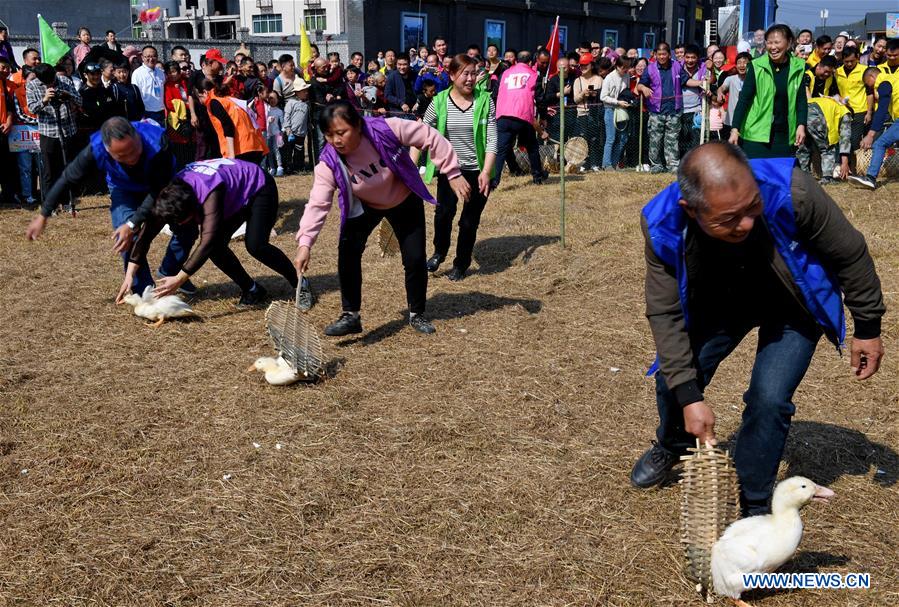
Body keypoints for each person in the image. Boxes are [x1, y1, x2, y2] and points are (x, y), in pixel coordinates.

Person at [632, 141, 885, 515]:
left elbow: (849, 252)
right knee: (673, 380)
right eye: (729, 218)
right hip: (720, 302)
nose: (746, 223)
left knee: (769, 399)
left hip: (793, 306)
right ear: (692, 210)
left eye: (753, 207)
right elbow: (665, 311)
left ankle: (753, 501)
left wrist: (867, 325)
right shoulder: (662, 224)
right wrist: (690, 396)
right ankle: (673, 444)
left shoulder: (792, 190)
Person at [294, 101, 469, 336]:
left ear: (357, 125)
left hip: (404, 199)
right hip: (365, 206)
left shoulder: (383, 128)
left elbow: (428, 135)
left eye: (341, 132)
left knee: (415, 258)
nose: (335, 140)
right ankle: (351, 315)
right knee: (347, 251)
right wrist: (305, 243)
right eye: (328, 135)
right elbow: (318, 203)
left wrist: (452, 171)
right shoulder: (329, 162)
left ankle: (417, 313)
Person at [26, 117, 199, 296]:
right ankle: (144, 292)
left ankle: (170, 272)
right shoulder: (96, 149)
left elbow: (157, 191)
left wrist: (134, 223)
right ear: (108, 150)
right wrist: (43, 214)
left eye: (134, 150)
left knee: (187, 228)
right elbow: (68, 178)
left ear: (137, 137)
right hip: (123, 189)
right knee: (124, 236)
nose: (131, 158)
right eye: (122, 156)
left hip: (161, 187)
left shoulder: (158, 143)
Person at [118, 158, 298, 307]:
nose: (176, 226)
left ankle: (300, 284)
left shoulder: (209, 194)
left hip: (257, 186)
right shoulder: (168, 197)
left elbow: (207, 241)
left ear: (191, 212)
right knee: (218, 249)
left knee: (256, 245)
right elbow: (146, 234)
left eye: (179, 222)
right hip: (233, 191)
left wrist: (180, 279)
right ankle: (253, 290)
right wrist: (130, 275)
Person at [420, 54, 497, 282]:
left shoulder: (485, 101)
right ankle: (439, 252)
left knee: (468, 221)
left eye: (474, 73)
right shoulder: (440, 100)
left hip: (478, 171)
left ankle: (460, 264)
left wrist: (486, 172)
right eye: (465, 73)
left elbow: (492, 139)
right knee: (444, 213)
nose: (470, 78)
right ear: (452, 75)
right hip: (450, 169)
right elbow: (423, 130)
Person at [729, 25, 807, 158]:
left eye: (777, 42)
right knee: (755, 176)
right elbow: (744, 99)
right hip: (756, 134)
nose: (772, 47)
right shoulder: (756, 65)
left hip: (785, 134)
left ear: (789, 43)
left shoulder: (798, 66)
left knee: (781, 176)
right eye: (769, 43)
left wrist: (801, 125)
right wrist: (735, 128)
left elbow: (801, 100)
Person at [635, 43, 704, 173]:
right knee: (655, 139)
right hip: (656, 110)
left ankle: (672, 165)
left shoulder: (677, 66)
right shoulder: (650, 69)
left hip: (674, 110)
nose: (661, 57)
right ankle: (656, 164)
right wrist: (643, 88)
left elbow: (686, 80)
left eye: (664, 54)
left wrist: (701, 83)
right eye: (659, 54)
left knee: (672, 139)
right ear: (655, 55)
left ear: (669, 54)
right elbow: (640, 85)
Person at [25, 63, 82, 207]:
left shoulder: (65, 81)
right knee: (49, 170)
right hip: (48, 132)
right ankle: (50, 204)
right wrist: (44, 100)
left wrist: (68, 96)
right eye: (47, 82)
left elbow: (80, 100)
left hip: (67, 130)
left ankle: (67, 200)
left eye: (52, 80)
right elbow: (32, 108)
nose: (51, 83)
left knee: (67, 167)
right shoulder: (32, 86)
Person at [489, 51, 545, 188]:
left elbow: (494, 95)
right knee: (532, 147)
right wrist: (543, 116)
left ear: (517, 60)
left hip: (503, 115)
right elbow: (540, 99)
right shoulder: (533, 75)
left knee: (500, 150)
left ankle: (494, 182)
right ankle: (538, 176)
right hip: (523, 115)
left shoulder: (504, 74)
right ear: (530, 62)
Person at [849, 66, 899, 189]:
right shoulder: (893, 79)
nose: (870, 88)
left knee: (879, 143)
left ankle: (870, 178)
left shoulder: (884, 83)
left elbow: (882, 108)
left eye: (869, 85)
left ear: (872, 77)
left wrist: (870, 134)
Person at [197, 79, 268, 164]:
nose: (200, 102)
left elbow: (228, 126)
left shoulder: (214, 102)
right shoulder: (231, 100)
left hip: (240, 149)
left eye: (199, 98)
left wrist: (231, 155)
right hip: (255, 146)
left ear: (205, 92)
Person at [797, 95, 852, 184]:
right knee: (827, 147)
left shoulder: (831, 103)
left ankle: (802, 175)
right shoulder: (846, 113)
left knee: (804, 146)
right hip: (816, 114)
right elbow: (845, 138)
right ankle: (827, 177)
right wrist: (844, 163)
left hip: (802, 112)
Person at [835, 46, 872, 154]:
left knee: (854, 140)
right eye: (846, 61)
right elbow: (835, 90)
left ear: (858, 57)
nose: (849, 64)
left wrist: (869, 112)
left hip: (860, 111)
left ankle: (854, 166)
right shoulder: (837, 72)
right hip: (843, 110)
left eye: (852, 61)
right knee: (843, 140)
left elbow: (869, 92)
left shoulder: (864, 70)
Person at [600, 56, 633, 170]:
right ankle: (606, 164)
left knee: (623, 138)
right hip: (610, 109)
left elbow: (626, 91)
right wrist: (617, 102)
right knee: (611, 138)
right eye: (624, 68)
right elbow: (603, 96)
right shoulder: (609, 78)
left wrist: (627, 101)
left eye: (628, 68)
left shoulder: (627, 76)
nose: (626, 70)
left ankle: (614, 163)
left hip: (622, 109)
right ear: (617, 66)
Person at [573, 54, 604, 172]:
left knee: (595, 139)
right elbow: (575, 99)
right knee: (583, 139)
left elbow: (602, 96)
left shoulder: (599, 79)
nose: (583, 67)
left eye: (586, 65)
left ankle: (595, 163)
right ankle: (583, 164)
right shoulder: (577, 80)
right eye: (581, 65)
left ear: (591, 65)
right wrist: (582, 94)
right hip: (582, 113)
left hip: (595, 113)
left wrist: (595, 94)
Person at [162, 60, 193, 167]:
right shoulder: (167, 85)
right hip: (177, 121)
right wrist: (187, 104)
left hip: (190, 117)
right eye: (169, 72)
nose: (172, 74)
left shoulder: (186, 81)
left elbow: (192, 95)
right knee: (179, 151)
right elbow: (169, 104)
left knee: (191, 148)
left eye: (174, 71)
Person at [79, 62, 124, 132]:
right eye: (92, 74)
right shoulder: (82, 94)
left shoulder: (105, 90)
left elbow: (114, 109)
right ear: (85, 75)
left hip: (110, 130)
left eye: (98, 73)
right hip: (93, 132)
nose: (96, 76)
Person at [717, 52, 751, 142]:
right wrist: (720, 93)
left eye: (745, 62)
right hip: (731, 121)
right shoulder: (730, 79)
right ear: (735, 65)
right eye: (739, 62)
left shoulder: (754, 81)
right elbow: (722, 88)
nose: (742, 65)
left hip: (748, 122)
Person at [131, 45, 166, 124]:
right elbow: (135, 95)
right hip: (146, 113)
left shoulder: (161, 72)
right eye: (148, 56)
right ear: (142, 58)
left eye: (154, 56)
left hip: (161, 111)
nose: (151, 59)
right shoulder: (137, 73)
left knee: (161, 135)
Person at [0, 56, 15, 203]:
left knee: (5, 165)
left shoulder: (4, 84)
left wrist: (9, 121)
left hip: (3, 130)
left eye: (7, 68)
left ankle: (8, 195)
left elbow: (10, 107)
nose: (5, 70)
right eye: (2, 67)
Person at [262, 91, 284, 176]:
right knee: (269, 152)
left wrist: (282, 133)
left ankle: (280, 167)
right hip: (268, 134)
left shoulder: (279, 111)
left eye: (275, 98)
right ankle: (272, 167)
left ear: (278, 99)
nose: (273, 100)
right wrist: (268, 120)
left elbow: (282, 123)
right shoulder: (266, 109)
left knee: (277, 150)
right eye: (271, 98)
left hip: (277, 133)